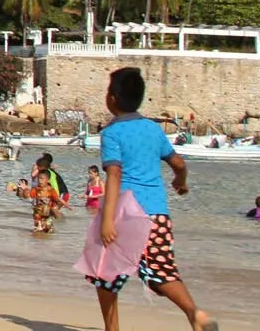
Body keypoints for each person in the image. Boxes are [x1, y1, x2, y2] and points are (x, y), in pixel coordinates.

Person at [86, 66, 217, 331]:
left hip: (126, 213)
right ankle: (195, 313)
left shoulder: (112, 133)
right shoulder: (153, 129)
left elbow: (114, 175)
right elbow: (178, 163)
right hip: (158, 214)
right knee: (161, 271)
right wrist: (180, 182)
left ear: (111, 99)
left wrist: (107, 220)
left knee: (105, 273)